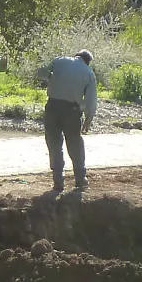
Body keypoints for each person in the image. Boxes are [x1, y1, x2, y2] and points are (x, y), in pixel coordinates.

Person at [43, 49, 97, 194]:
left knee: (54, 143)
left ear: (76, 56)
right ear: (88, 61)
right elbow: (91, 101)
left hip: (52, 106)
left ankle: (58, 181)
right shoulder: (88, 73)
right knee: (74, 144)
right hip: (72, 111)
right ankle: (80, 179)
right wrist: (88, 120)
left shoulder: (59, 60)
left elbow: (42, 73)